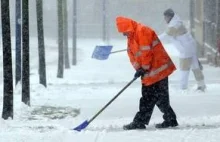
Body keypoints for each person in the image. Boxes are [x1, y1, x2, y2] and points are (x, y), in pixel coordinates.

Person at [116, 16, 178, 130]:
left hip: (157, 68)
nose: (123, 34)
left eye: (124, 32)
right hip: (151, 70)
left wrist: (143, 68)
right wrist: (138, 69)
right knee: (160, 97)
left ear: (128, 28)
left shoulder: (142, 31)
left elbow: (146, 52)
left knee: (147, 97)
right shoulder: (132, 36)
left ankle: (140, 121)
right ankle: (170, 119)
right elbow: (132, 55)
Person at [159, 8, 206, 91]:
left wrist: (153, 39)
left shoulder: (175, 24)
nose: (164, 19)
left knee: (184, 68)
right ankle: (201, 85)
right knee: (195, 67)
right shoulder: (176, 22)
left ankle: (183, 87)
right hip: (189, 47)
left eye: (165, 17)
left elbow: (166, 35)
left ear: (170, 16)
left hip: (186, 49)